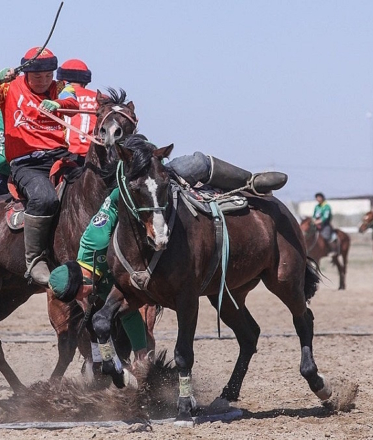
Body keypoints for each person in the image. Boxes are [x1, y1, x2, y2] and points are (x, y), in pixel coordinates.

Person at [48, 135, 289, 372]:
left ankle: (252, 180)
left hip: (145, 174)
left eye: (79, 295)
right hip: (134, 183)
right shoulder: (97, 281)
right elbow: (128, 307)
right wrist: (136, 347)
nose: (82, 301)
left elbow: (110, 207)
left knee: (197, 163)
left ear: (81, 278)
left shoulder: (94, 241)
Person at [0, 47, 79, 285]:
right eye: (38, 76)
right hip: (27, 164)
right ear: (26, 74)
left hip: (60, 157)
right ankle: (35, 260)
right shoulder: (8, 89)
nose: (44, 80)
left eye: (48, 75)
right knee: (45, 199)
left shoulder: (60, 88)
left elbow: (73, 102)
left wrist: (58, 104)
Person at [57, 59, 98, 162]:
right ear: (85, 81)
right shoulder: (102, 99)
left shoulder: (55, 97)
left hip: (63, 155)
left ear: (62, 81)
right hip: (92, 157)